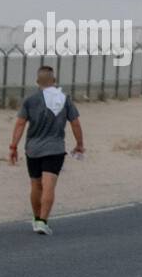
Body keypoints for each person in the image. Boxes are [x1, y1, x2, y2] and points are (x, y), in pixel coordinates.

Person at [7, 65, 85, 235]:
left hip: (33, 149)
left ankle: (36, 219)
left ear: (37, 82)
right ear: (54, 81)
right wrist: (80, 144)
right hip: (55, 149)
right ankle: (43, 221)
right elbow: (75, 123)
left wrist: (13, 147)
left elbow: (20, 124)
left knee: (36, 185)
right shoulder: (64, 99)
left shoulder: (30, 100)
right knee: (49, 185)